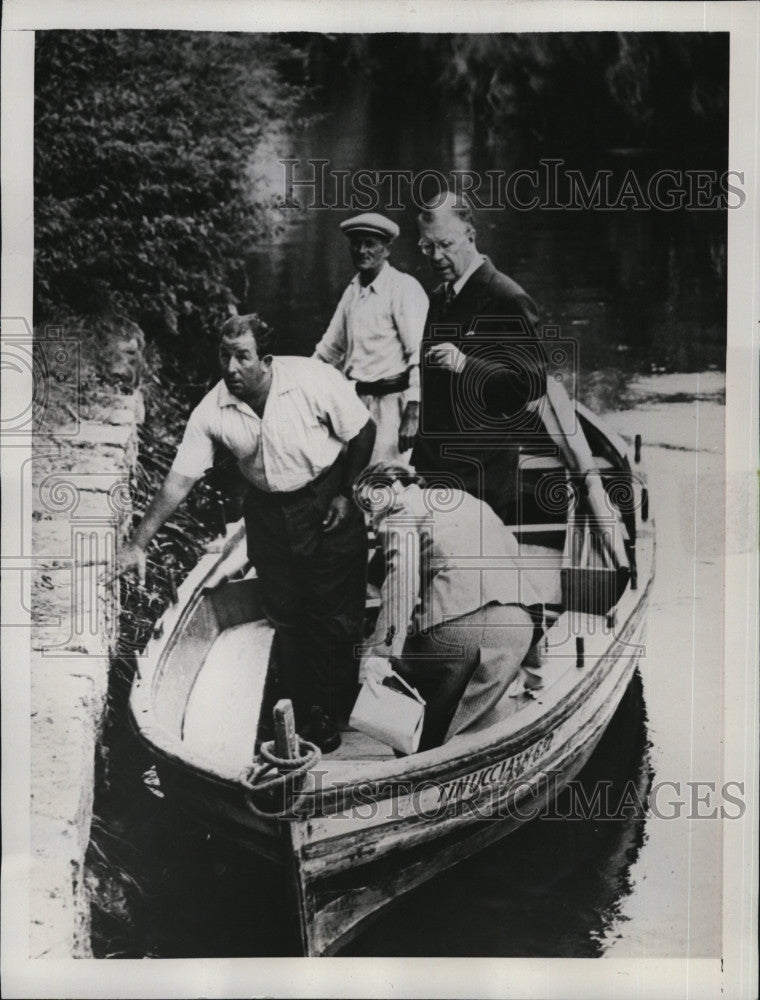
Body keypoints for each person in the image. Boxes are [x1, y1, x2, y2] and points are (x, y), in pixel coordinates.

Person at [117, 314, 376, 753]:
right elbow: (179, 481)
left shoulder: (313, 380)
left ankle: (329, 711)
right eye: (225, 356)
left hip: (326, 499)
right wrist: (137, 543)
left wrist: (345, 495)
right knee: (286, 614)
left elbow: (363, 430)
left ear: (267, 360)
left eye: (243, 357)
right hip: (268, 514)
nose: (231, 368)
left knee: (333, 617)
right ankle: (298, 707)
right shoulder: (211, 411)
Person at [354, 462, 549, 752]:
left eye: (369, 506)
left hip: (460, 636)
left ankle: (415, 755)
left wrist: (380, 653)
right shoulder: (471, 502)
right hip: (519, 630)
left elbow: (402, 580)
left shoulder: (400, 512)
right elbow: (517, 568)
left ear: (392, 489)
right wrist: (533, 663)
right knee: (447, 707)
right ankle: (446, 740)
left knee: (394, 667)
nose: (370, 522)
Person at [411, 193, 548, 526]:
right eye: (428, 248)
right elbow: (435, 392)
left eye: (445, 244)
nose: (437, 257)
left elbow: (530, 383)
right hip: (439, 473)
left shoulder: (506, 296)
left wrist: (465, 365)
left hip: (482, 479)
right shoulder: (440, 296)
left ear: (470, 236)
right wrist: (420, 463)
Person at [313, 212, 428, 463]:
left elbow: (419, 353)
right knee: (349, 482)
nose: (362, 250)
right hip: (354, 404)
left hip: (390, 410)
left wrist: (414, 409)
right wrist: (298, 386)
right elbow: (329, 350)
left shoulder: (403, 288)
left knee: (383, 485)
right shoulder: (353, 292)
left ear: (386, 249)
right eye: (356, 243)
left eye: (370, 244)